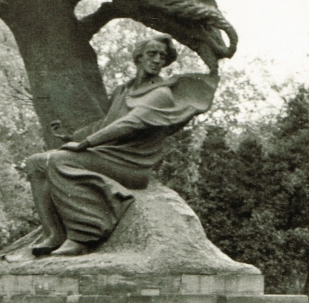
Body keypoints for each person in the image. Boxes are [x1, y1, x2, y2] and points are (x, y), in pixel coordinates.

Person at [25, 34, 215, 257]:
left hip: (132, 165)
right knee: (36, 162)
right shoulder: (122, 91)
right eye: (151, 54)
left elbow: (130, 124)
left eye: (162, 57)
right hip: (108, 154)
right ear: (138, 57)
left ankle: (82, 236)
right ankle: (54, 234)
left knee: (59, 160)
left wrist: (85, 144)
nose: (157, 60)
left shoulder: (161, 94)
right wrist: (71, 138)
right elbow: (106, 124)